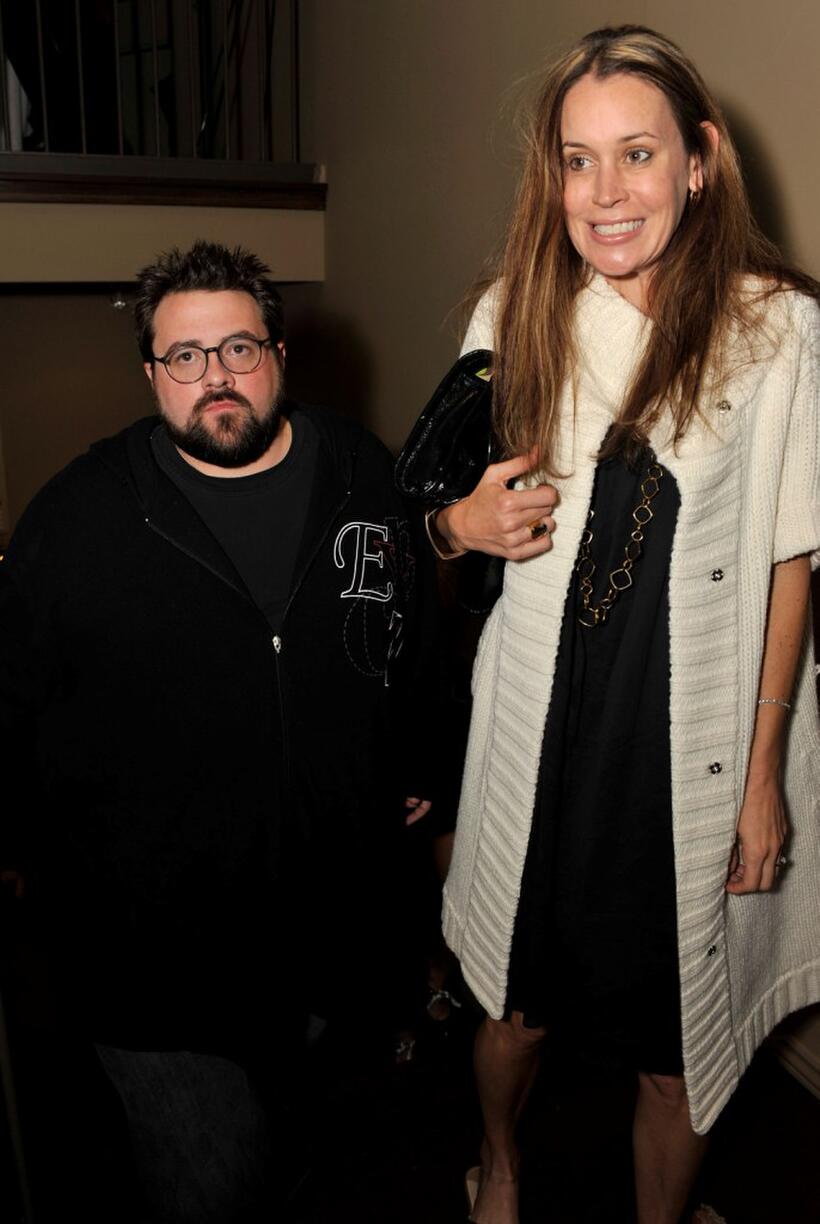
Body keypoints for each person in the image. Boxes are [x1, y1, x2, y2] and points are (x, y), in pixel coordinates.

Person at [425, 26, 820, 1224]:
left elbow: (791, 556)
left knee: (679, 1046)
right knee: (512, 1005)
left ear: (698, 162)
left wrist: (761, 775)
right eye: (576, 160)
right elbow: (429, 519)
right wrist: (461, 526)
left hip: (690, 747)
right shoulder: (512, 314)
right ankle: (500, 1162)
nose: (604, 194)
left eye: (636, 154)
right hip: (547, 738)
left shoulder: (778, 329)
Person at [0, 240, 434, 1222]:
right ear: (151, 374)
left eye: (238, 349)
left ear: (280, 354)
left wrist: (409, 756)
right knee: (214, 1183)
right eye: (184, 358)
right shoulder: (76, 521)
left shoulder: (361, 472)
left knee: (302, 1139)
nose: (216, 380)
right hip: (153, 963)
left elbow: (404, 635)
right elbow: (12, 706)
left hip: (323, 934)